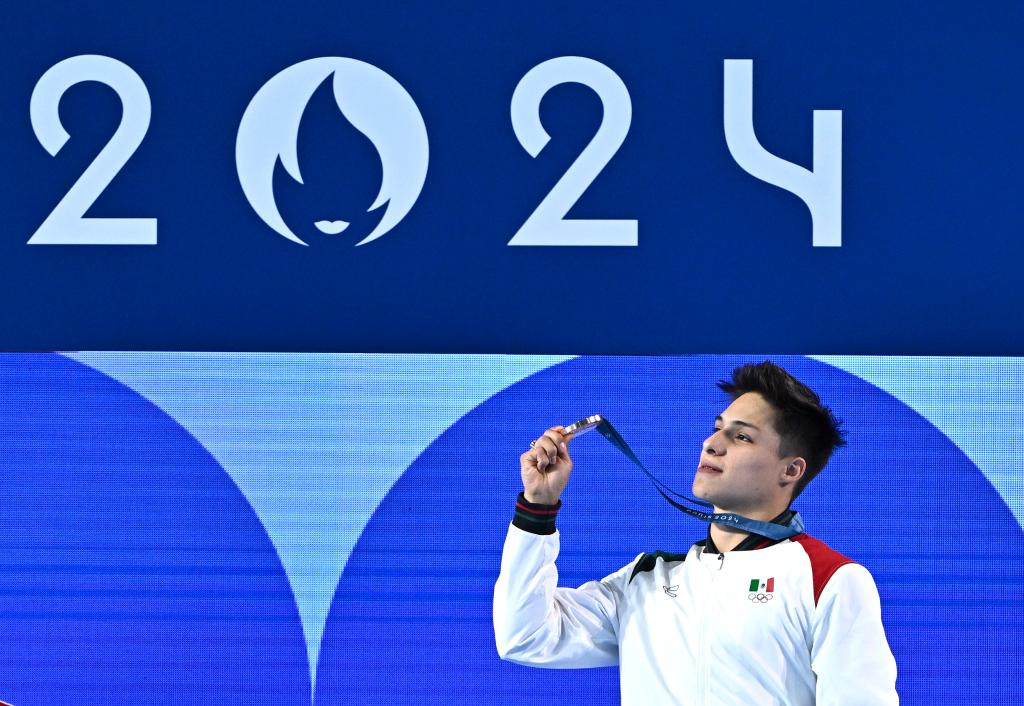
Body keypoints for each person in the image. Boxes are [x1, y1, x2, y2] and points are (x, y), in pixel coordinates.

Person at [493, 361, 898, 705]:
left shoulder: (828, 580)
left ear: (790, 469)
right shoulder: (646, 581)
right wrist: (538, 507)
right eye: (718, 428)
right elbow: (525, 636)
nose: (711, 444)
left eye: (741, 436)